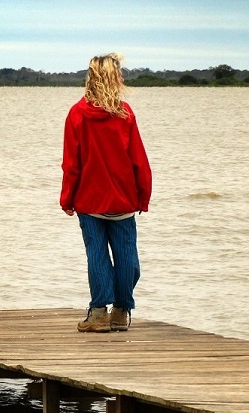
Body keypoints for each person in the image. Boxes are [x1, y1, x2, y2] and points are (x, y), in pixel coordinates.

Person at [60, 53, 152, 332]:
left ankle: (99, 312)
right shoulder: (125, 113)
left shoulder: (77, 114)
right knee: (126, 255)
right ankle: (121, 311)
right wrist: (143, 196)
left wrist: (66, 198)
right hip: (123, 199)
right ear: (116, 79)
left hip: (89, 199)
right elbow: (139, 160)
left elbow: (71, 163)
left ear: (91, 78)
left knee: (97, 255)